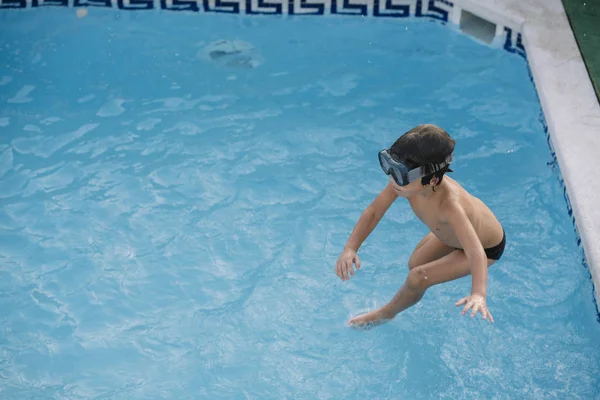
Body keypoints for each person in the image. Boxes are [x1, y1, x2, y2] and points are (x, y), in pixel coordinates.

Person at [335, 124, 505, 329]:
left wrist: (478, 293)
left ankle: (387, 313)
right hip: (451, 236)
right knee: (415, 263)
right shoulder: (404, 184)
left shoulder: (449, 206)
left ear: (432, 179)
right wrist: (351, 248)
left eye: (401, 173)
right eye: (391, 168)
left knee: (418, 277)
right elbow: (374, 211)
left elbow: (475, 251)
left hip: (485, 248)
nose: (393, 178)